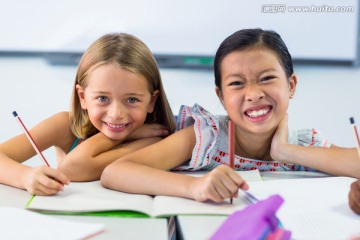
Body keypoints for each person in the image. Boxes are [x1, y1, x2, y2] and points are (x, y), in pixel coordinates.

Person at [101, 28, 360, 203]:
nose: (254, 93)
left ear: (291, 85)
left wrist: (284, 151)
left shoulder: (303, 143)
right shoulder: (207, 136)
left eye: (266, 78)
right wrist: (194, 187)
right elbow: (116, 172)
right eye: (237, 84)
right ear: (221, 97)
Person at [0, 33, 175, 195]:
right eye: (102, 98)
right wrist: (25, 177)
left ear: (152, 101)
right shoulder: (63, 126)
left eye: (131, 100)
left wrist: (120, 137)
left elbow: (75, 168)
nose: (116, 114)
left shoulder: (152, 138)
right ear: (83, 97)